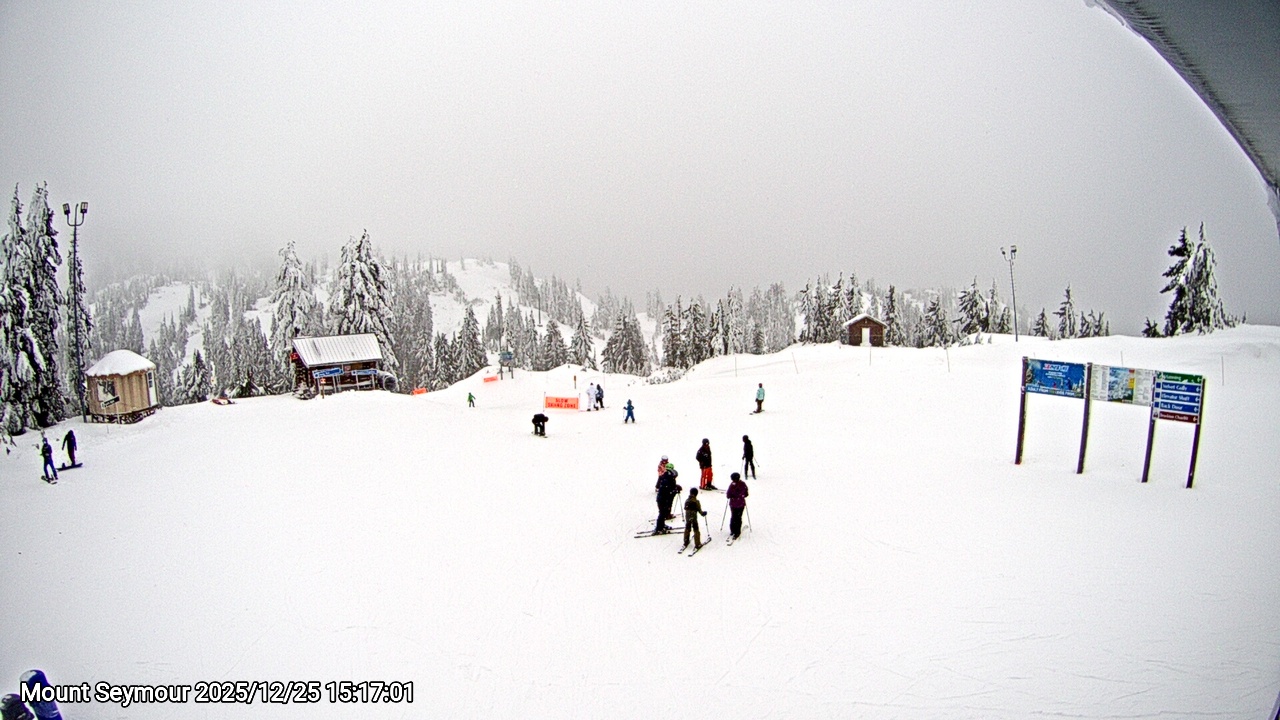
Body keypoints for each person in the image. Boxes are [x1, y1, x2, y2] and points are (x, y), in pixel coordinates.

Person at [654, 464, 681, 534]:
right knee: (662, 513)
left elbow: (671, 487)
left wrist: (676, 487)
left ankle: (662, 525)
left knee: (664, 512)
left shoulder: (669, 479)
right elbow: (667, 491)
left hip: (664, 499)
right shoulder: (667, 480)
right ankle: (659, 528)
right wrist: (674, 490)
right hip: (662, 499)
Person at [726, 472, 749, 541]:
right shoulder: (743, 484)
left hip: (733, 504)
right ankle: (737, 531)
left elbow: (728, 495)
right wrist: (741, 496)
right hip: (741, 504)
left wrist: (732, 496)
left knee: (733, 517)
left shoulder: (732, 485)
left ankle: (732, 530)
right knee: (738, 517)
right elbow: (746, 493)